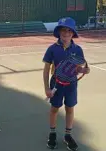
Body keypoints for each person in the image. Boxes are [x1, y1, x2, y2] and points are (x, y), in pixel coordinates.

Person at [42, 17, 90, 151]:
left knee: (70, 108)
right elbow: (46, 70)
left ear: (73, 33)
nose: (66, 33)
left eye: (69, 31)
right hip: (56, 83)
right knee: (54, 109)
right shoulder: (52, 49)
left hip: (71, 84)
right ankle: (52, 133)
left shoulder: (78, 49)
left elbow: (76, 68)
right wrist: (47, 88)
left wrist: (84, 70)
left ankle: (68, 135)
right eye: (63, 30)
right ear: (59, 32)